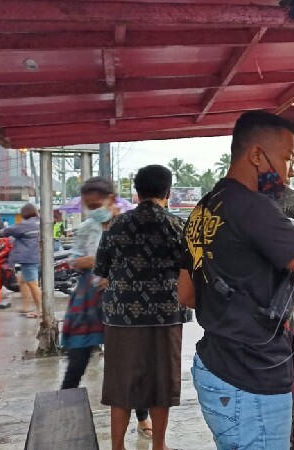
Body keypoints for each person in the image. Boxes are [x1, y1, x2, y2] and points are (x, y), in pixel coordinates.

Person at [178, 111, 294, 450]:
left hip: (215, 369)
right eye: (287, 158)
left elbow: (187, 294)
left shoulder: (203, 209)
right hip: (249, 380)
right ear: (256, 155)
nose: (289, 170)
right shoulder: (251, 206)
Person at [95, 165, 188, 450]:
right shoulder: (176, 226)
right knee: (162, 382)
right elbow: (190, 270)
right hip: (166, 314)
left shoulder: (116, 225)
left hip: (121, 316)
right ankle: (159, 444)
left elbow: (102, 269)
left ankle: (117, 447)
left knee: (121, 383)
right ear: (168, 192)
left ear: (137, 192)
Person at [59, 177, 154, 439]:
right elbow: (72, 259)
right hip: (87, 301)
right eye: (88, 205)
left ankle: (143, 417)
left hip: (122, 300)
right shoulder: (87, 228)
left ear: (111, 200)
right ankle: (62, 414)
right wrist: (84, 261)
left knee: (129, 364)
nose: (92, 209)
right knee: (76, 361)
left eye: (96, 203)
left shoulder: (130, 225)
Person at [0, 204, 41, 317]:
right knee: (23, 282)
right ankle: (26, 307)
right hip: (35, 256)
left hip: (28, 258)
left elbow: (6, 231)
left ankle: (41, 310)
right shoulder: (37, 222)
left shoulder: (26, 224)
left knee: (33, 285)